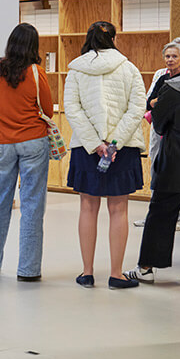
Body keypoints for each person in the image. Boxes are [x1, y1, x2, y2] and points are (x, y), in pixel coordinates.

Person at [64, 21, 146, 289]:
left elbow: (72, 109)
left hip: (87, 149)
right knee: (118, 209)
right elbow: (137, 108)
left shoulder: (76, 69)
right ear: (114, 39)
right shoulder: (129, 68)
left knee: (87, 207)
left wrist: (95, 143)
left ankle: (87, 273)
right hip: (122, 149)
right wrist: (114, 143)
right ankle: (116, 274)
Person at [0, 23, 52, 281]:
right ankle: (29, 270)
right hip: (33, 141)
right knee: (32, 205)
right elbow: (47, 110)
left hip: (2, 142)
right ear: (33, 46)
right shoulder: (36, 73)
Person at [126, 44, 180, 283]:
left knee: (161, 213)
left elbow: (159, 125)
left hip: (175, 160)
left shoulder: (173, 90)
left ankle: (146, 268)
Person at [134, 38, 180, 229]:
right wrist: (158, 102)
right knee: (157, 171)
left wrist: (160, 102)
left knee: (179, 176)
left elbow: (161, 103)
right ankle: (155, 215)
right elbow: (149, 102)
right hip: (159, 131)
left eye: (175, 56)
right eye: (167, 56)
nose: (170, 59)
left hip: (178, 135)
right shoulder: (162, 77)